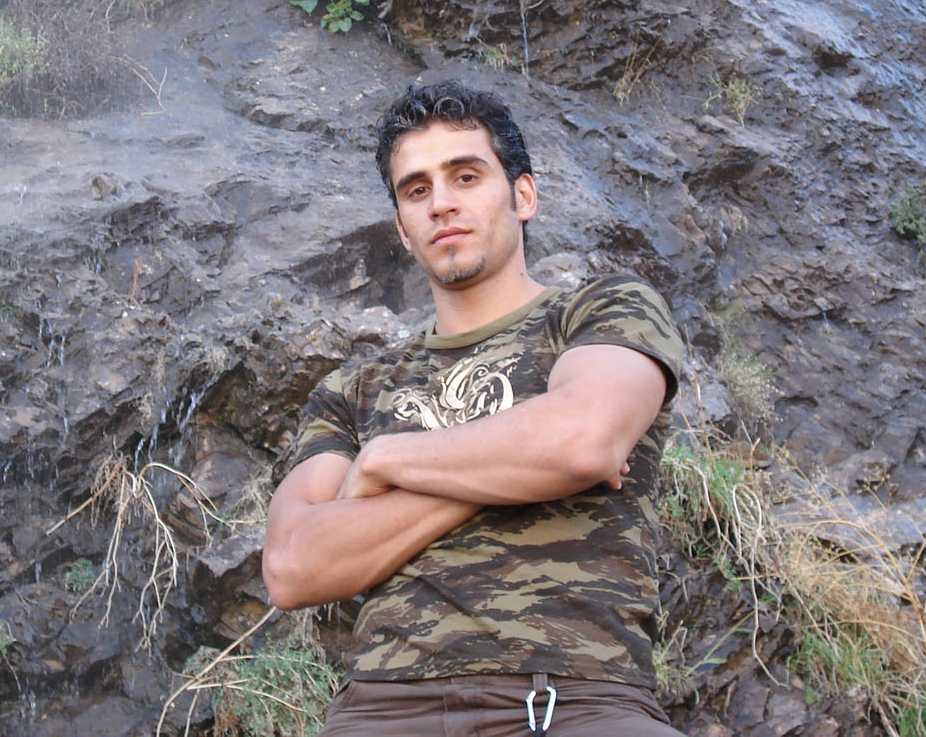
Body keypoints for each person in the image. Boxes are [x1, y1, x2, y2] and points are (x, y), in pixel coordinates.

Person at [261, 80, 687, 736]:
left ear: (523, 195)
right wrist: (523, 459)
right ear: (402, 229)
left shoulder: (600, 311)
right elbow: (294, 566)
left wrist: (388, 459)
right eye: (416, 190)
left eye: (466, 175)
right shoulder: (354, 390)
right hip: (383, 708)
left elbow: (581, 442)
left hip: (575, 698)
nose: (442, 203)